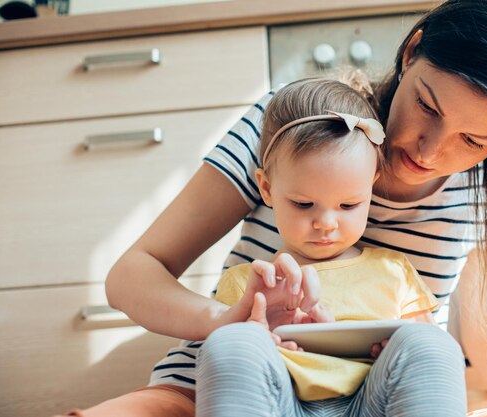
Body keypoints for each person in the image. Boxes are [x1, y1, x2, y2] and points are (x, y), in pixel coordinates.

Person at [59, 0, 487, 416]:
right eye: (427, 106)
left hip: (375, 401)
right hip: (219, 388)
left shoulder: (485, 194)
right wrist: (228, 323)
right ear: (411, 50)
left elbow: (470, 353)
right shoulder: (292, 129)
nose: (429, 152)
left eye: (472, 142)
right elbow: (133, 273)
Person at [191, 77, 465, 416]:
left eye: (348, 206)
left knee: (432, 344)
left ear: (370, 188)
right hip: (282, 404)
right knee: (229, 343)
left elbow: (425, 355)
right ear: (266, 188)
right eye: (304, 204)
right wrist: (259, 338)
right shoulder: (249, 282)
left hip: (374, 403)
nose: (326, 223)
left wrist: (391, 354)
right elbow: (231, 372)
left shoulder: (393, 271)